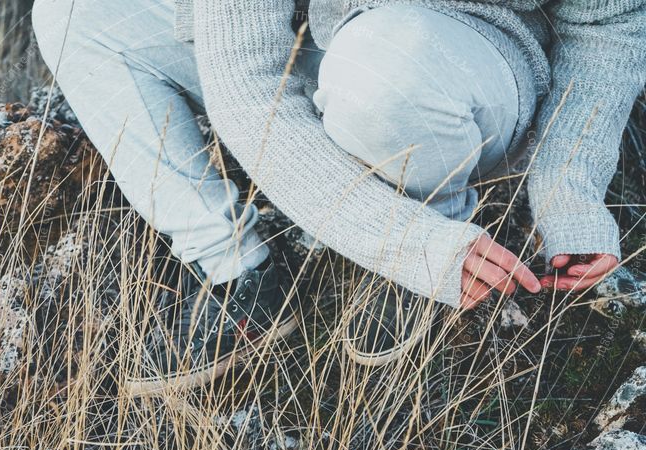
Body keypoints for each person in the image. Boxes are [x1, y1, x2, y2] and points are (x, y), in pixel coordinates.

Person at [32, 0, 645, 391]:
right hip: (334, 39)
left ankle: (438, 218)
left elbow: (610, 22)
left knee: (381, 71)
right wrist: (401, 243)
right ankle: (239, 273)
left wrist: (568, 196)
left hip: (476, 60)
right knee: (76, 14)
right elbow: (246, 83)